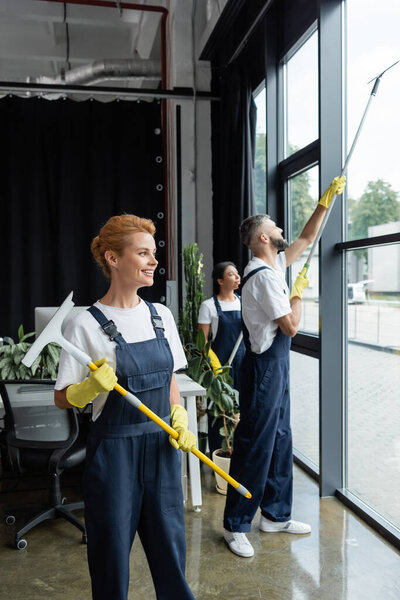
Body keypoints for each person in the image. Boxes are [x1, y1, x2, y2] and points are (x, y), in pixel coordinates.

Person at [54, 214, 196, 600]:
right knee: (111, 553)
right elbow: (62, 396)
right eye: (143, 253)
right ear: (114, 259)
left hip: (163, 446)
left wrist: (178, 416)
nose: (153, 261)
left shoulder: (160, 316)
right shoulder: (84, 324)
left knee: (171, 548)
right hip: (113, 454)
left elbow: (170, 379)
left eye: (154, 253)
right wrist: (87, 388)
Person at [223, 176, 346, 558]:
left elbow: (307, 239)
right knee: (254, 444)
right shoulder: (262, 278)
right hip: (263, 368)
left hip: (275, 368)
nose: (280, 229)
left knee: (280, 438)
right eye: (273, 226)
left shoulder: (274, 266)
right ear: (262, 238)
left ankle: (275, 516)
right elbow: (290, 328)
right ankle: (235, 523)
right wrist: (298, 295)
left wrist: (325, 202)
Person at [198, 262, 246, 455]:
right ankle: (219, 455)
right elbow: (202, 344)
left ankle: (240, 455)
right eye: (231, 274)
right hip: (220, 369)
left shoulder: (244, 303)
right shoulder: (208, 306)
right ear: (220, 280)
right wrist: (215, 368)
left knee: (243, 411)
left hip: (244, 365)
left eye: (237, 273)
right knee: (219, 413)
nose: (237, 277)